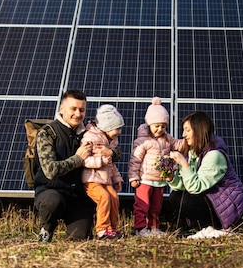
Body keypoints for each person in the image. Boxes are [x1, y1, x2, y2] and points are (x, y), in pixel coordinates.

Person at [33, 89, 120, 243]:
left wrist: (110, 152)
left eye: (82, 110)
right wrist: (78, 159)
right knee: (52, 201)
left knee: (79, 237)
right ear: (61, 109)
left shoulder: (88, 132)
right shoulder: (47, 133)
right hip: (52, 189)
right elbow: (50, 171)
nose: (78, 114)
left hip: (77, 196)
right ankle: (46, 230)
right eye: (73, 109)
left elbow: (116, 150)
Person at [168, 110, 243, 239]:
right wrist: (172, 178)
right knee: (175, 196)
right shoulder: (195, 152)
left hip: (230, 208)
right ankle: (207, 228)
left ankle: (222, 227)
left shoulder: (215, 155)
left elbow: (195, 187)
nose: (183, 135)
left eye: (187, 130)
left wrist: (184, 165)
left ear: (199, 129)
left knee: (187, 200)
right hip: (213, 198)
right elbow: (187, 186)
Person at [129, 97, 184, 237]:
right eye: (156, 126)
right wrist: (133, 177)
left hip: (160, 180)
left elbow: (178, 145)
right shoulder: (142, 141)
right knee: (142, 205)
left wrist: (188, 142)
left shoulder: (167, 138)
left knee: (156, 206)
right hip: (145, 179)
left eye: (163, 126)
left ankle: (154, 228)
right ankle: (140, 228)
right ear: (149, 124)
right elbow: (135, 160)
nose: (160, 129)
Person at [81, 104, 125, 240]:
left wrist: (117, 178)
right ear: (107, 127)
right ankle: (102, 229)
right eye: (117, 128)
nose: (119, 132)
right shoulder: (90, 138)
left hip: (105, 179)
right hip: (91, 179)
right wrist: (100, 162)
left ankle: (112, 228)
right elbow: (83, 161)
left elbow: (111, 163)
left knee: (113, 197)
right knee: (103, 197)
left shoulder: (110, 142)